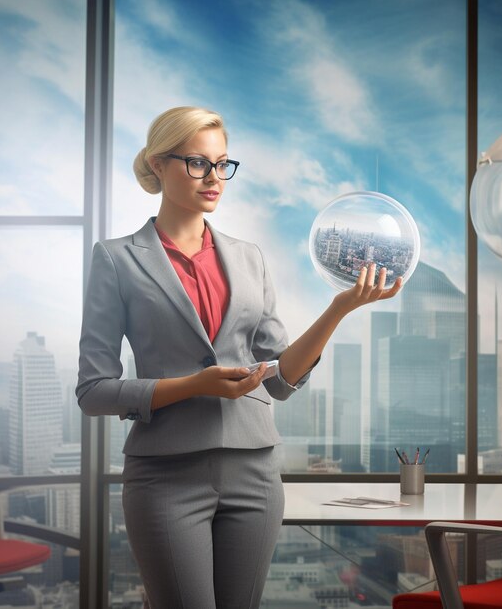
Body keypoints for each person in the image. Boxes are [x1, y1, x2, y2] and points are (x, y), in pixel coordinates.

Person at [76, 105, 403, 609]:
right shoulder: (117, 259)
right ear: (160, 164)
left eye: (222, 163)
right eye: (197, 163)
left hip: (255, 470)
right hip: (165, 475)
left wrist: (338, 309)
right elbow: (93, 391)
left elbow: (280, 377)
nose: (214, 178)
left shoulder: (248, 256)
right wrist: (194, 385)